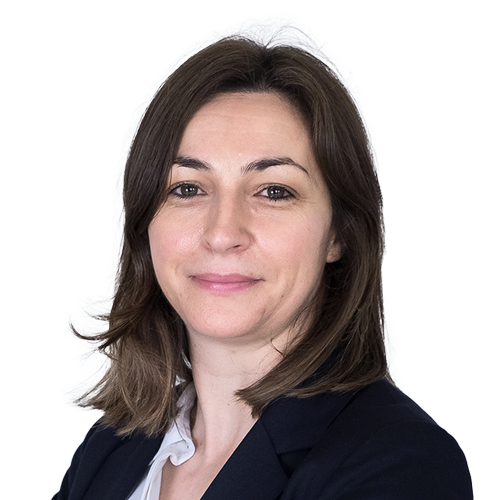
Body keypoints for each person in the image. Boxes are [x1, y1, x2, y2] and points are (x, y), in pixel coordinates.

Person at [52, 32, 473, 500]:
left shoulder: (403, 465)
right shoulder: (112, 446)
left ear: (340, 233)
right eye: (188, 188)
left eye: (274, 191)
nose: (222, 232)